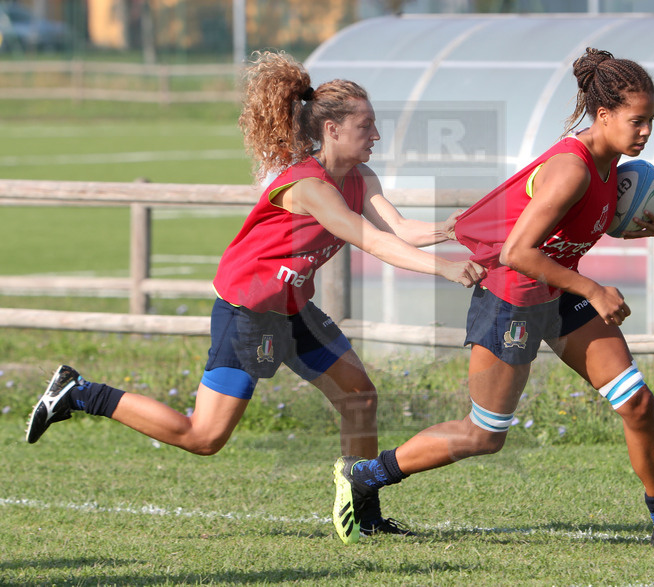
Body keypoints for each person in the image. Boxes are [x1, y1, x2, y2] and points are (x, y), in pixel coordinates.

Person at [25, 50, 485, 537]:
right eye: (366, 126)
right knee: (202, 437)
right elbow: (369, 239)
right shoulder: (308, 187)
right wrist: (447, 270)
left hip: (293, 312)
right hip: (246, 314)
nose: (376, 135)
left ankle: (363, 518)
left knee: (360, 398)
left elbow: (398, 229)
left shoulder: (360, 177)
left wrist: (449, 229)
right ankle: (79, 393)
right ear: (332, 130)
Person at [331, 48, 654, 552]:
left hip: (557, 289)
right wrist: (592, 288)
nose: (647, 130)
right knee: (484, 434)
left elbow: (580, 226)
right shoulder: (572, 167)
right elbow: (518, 252)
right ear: (603, 115)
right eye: (638, 120)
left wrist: (651, 223)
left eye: (651, 119)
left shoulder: (616, 167)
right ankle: (366, 475)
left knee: (637, 403)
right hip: (510, 295)